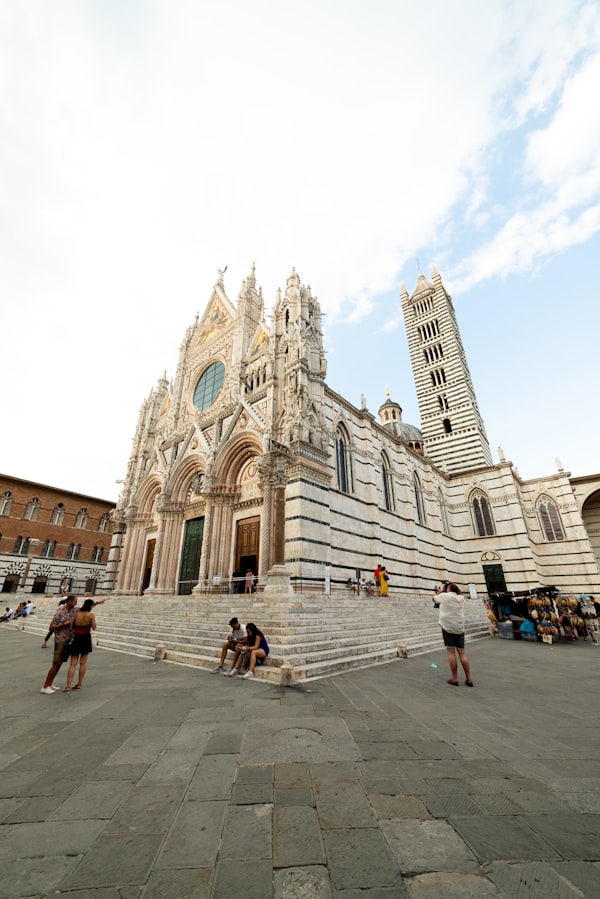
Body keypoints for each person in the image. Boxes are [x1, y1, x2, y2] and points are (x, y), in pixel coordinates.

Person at [434, 582, 474, 687]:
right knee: (462, 653)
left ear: (448, 589)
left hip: (448, 627)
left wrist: (440, 592)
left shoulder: (444, 596)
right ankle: (469, 678)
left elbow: (434, 598)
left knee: (451, 653)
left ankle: (454, 678)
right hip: (459, 628)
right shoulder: (461, 598)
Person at [40, 595, 78, 694]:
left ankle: (50, 684)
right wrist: (63, 625)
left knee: (59, 663)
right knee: (56, 664)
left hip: (67, 639)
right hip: (59, 640)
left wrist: (95, 603)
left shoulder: (73, 610)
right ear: (69, 601)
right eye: (75, 601)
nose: (76, 603)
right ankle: (45, 686)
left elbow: (85, 609)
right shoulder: (60, 612)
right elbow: (51, 628)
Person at [63, 598, 97, 692]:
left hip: (76, 638)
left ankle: (68, 686)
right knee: (83, 663)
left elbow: (73, 626)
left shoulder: (76, 614)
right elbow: (94, 627)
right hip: (85, 638)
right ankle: (79, 684)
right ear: (90, 606)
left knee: (72, 664)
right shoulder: (91, 615)